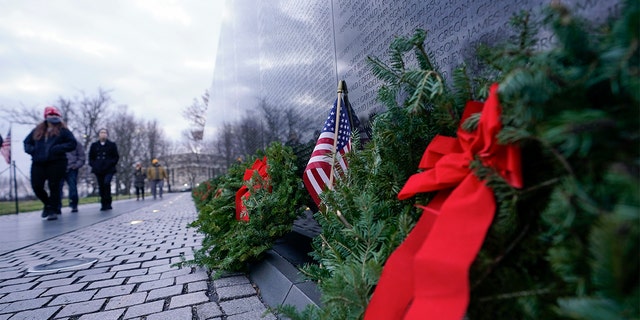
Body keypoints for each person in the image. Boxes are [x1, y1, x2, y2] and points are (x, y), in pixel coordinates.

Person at [23, 106, 77, 221]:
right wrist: (33, 151)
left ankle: (53, 210)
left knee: (54, 186)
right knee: (36, 185)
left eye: (55, 115)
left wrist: (58, 148)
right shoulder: (37, 130)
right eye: (50, 115)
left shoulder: (63, 131)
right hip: (39, 162)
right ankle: (47, 204)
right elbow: (27, 142)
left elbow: (72, 143)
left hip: (56, 162)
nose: (53, 117)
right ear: (46, 117)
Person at [89, 128, 119, 211]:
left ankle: (108, 202)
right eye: (101, 132)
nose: (103, 134)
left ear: (107, 134)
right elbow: (91, 157)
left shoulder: (112, 145)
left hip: (109, 169)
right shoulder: (94, 145)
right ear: (99, 134)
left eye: (105, 133)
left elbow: (116, 157)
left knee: (106, 183)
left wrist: (111, 163)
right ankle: (103, 203)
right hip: (98, 169)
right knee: (101, 185)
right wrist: (94, 165)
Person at [60, 139, 85, 212]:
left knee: (72, 187)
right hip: (59, 168)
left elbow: (81, 156)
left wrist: (76, 165)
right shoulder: (57, 142)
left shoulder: (76, 143)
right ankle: (57, 206)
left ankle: (74, 204)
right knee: (57, 188)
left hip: (72, 168)